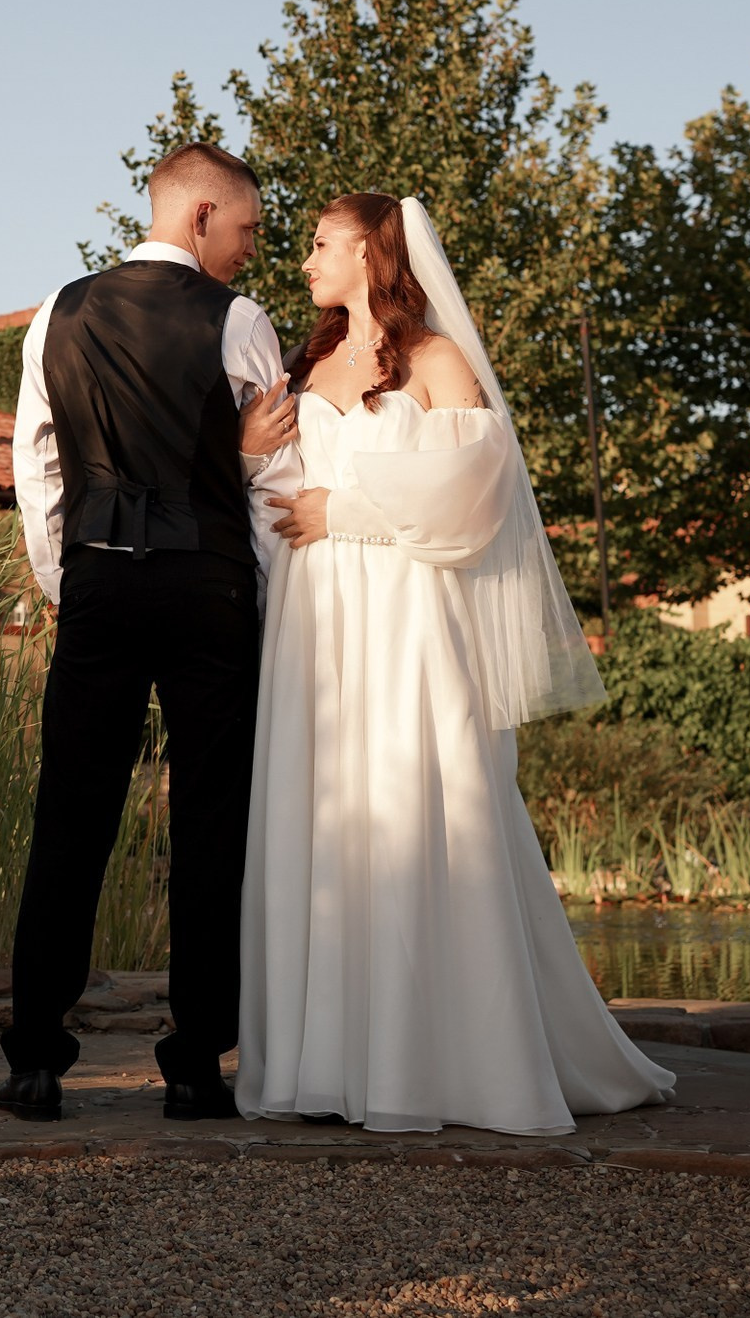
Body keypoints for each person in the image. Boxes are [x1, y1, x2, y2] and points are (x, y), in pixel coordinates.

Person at [241, 192, 674, 1133]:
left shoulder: (437, 359)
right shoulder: (307, 361)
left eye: (323, 243)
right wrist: (251, 458)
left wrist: (345, 514)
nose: (307, 257)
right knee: (327, 814)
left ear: (373, 252)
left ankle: (439, 1062)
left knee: (419, 800)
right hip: (314, 615)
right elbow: (275, 484)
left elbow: (474, 499)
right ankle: (330, 1061)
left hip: (404, 611)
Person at [1, 140, 298, 1122]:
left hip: (95, 583)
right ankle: (194, 1065)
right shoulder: (238, 319)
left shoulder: (59, 309)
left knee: (69, 814)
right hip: (208, 586)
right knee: (211, 820)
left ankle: (35, 1057)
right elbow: (275, 476)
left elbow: (36, 468)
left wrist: (69, 578)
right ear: (201, 213)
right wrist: (255, 584)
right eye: (247, 228)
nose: (250, 250)